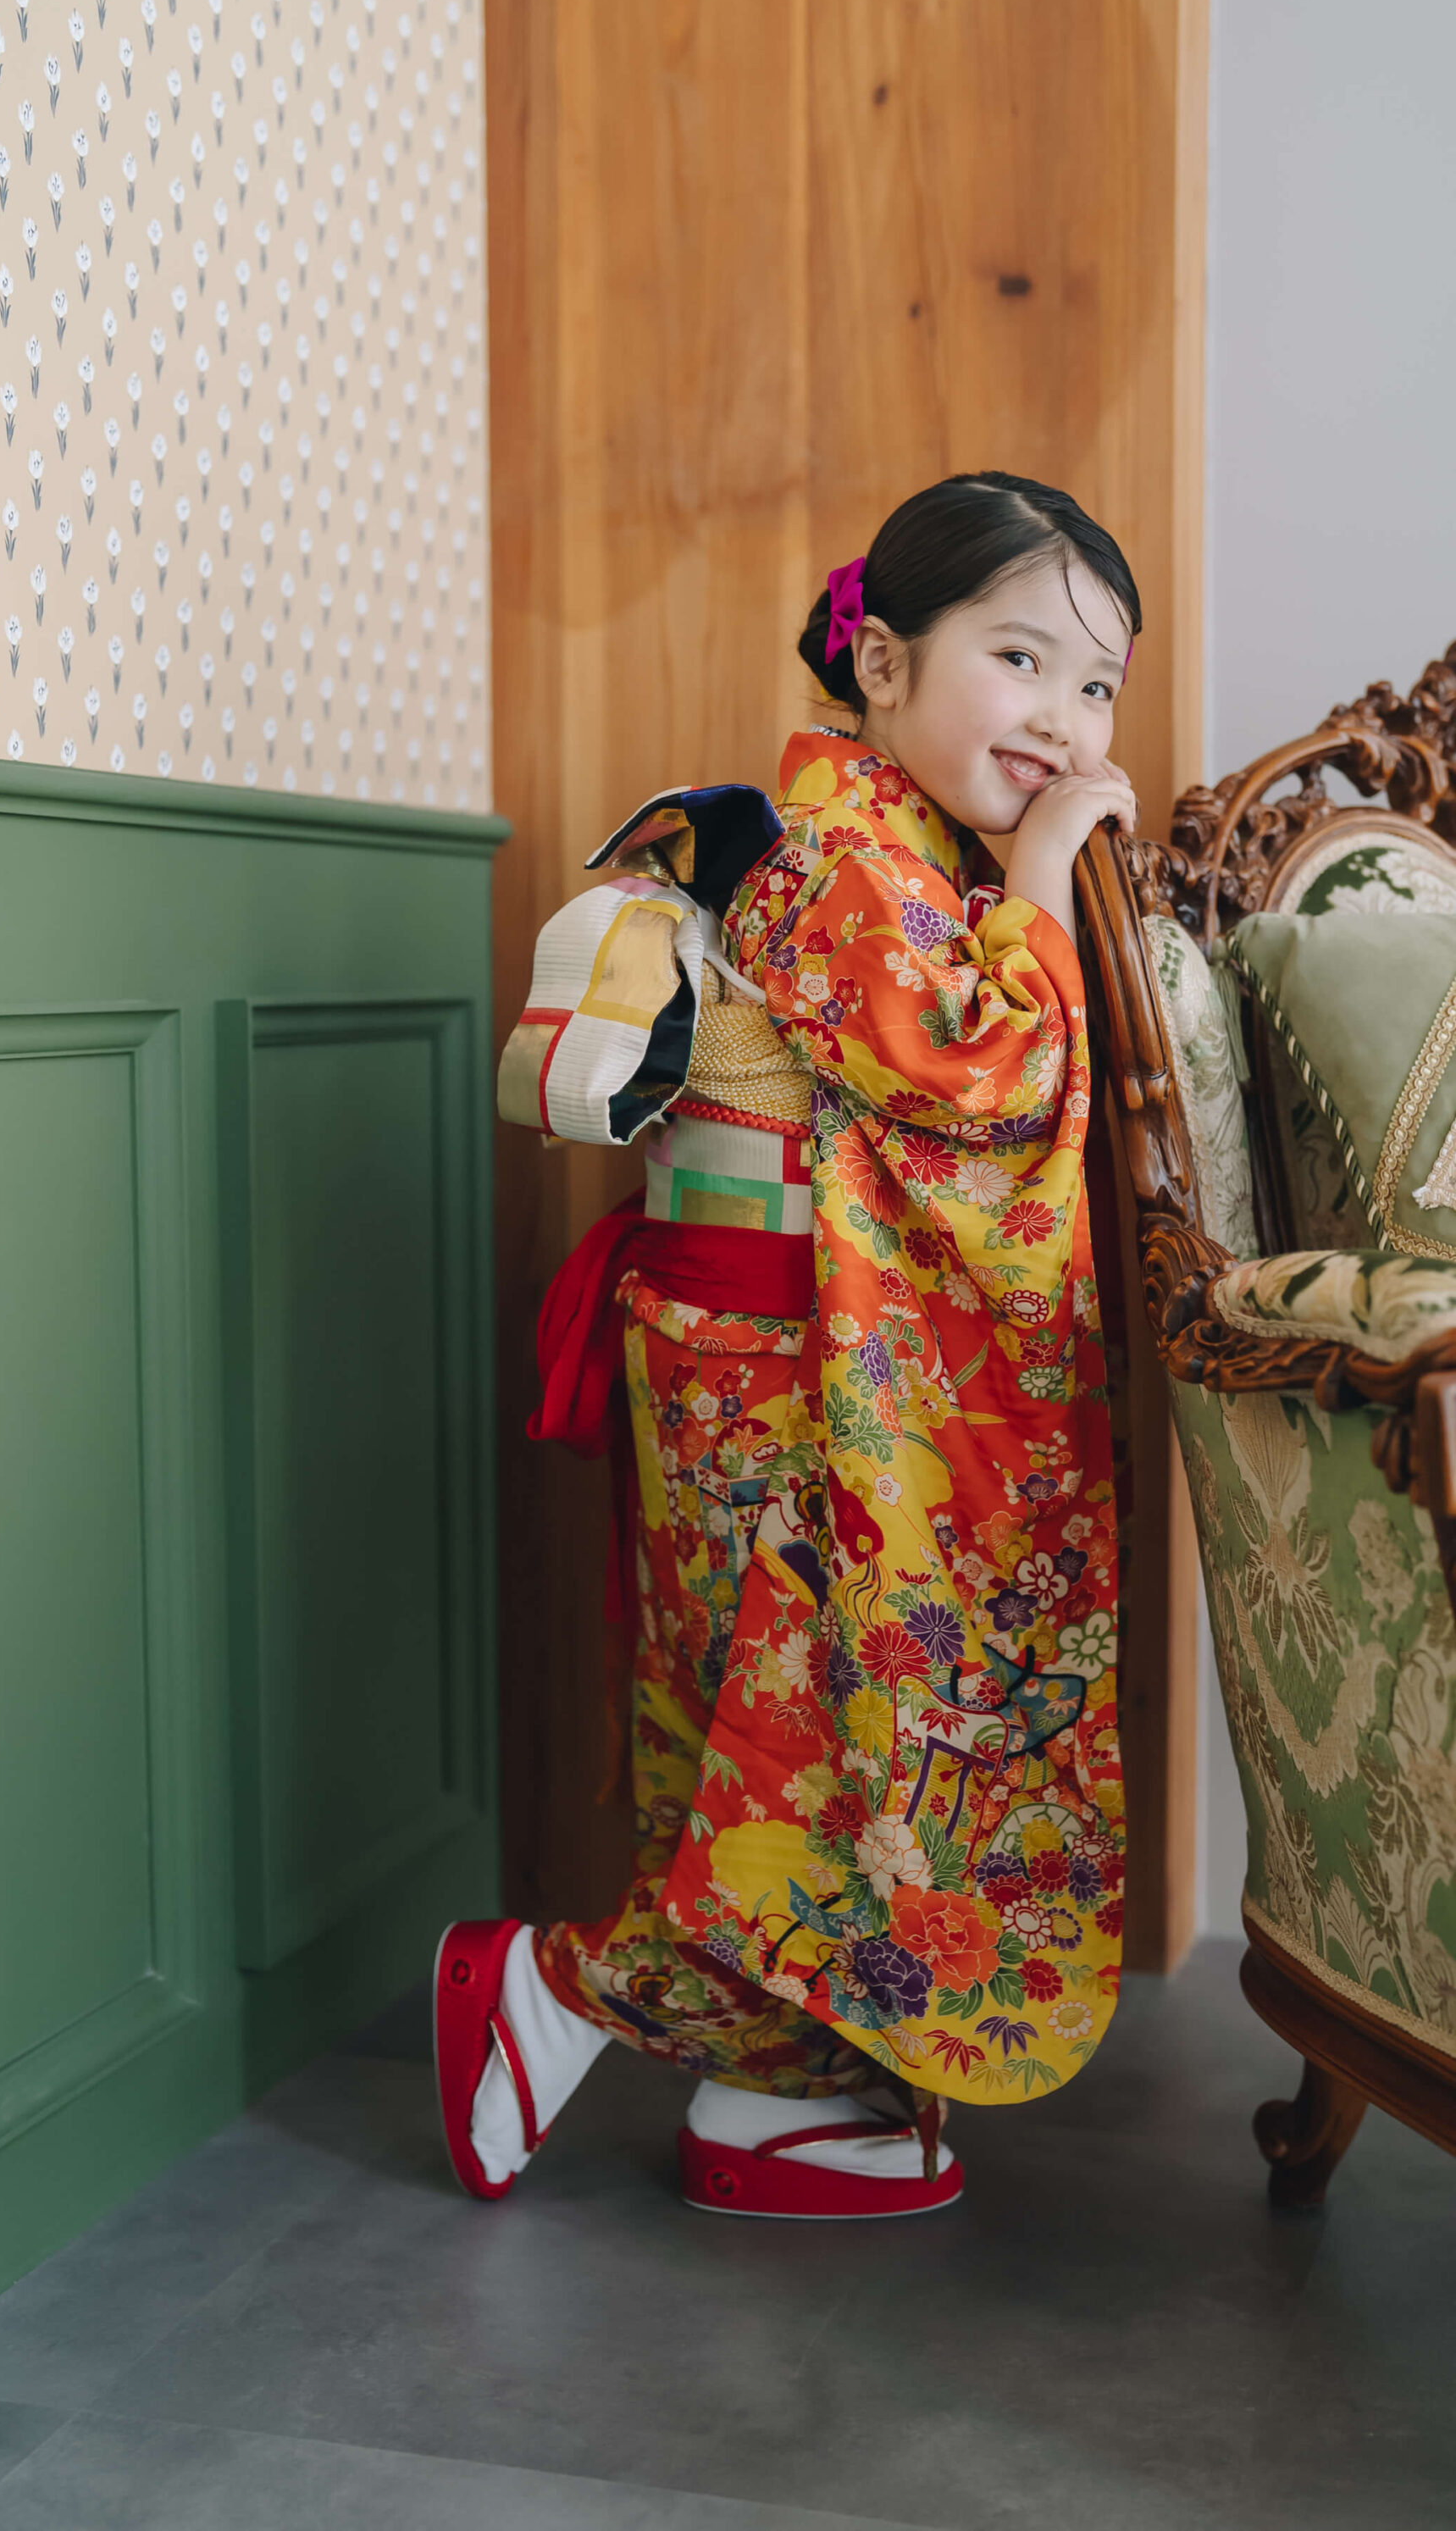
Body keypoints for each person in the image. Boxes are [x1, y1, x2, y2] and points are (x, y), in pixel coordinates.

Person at [438, 472, 1136, 2219]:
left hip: (794, 1352)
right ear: (881, 666)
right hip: (769, 1368)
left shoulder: (913, 858)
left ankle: (771, 2102)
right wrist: (1047, 877)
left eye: (1097, 683)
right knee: (807, 1755)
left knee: (789, 1746)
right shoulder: (824, 859)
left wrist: (1018, 881)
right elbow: (980, 1071)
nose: (1063, 717)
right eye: (1019, 657)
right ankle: (556, 1988)